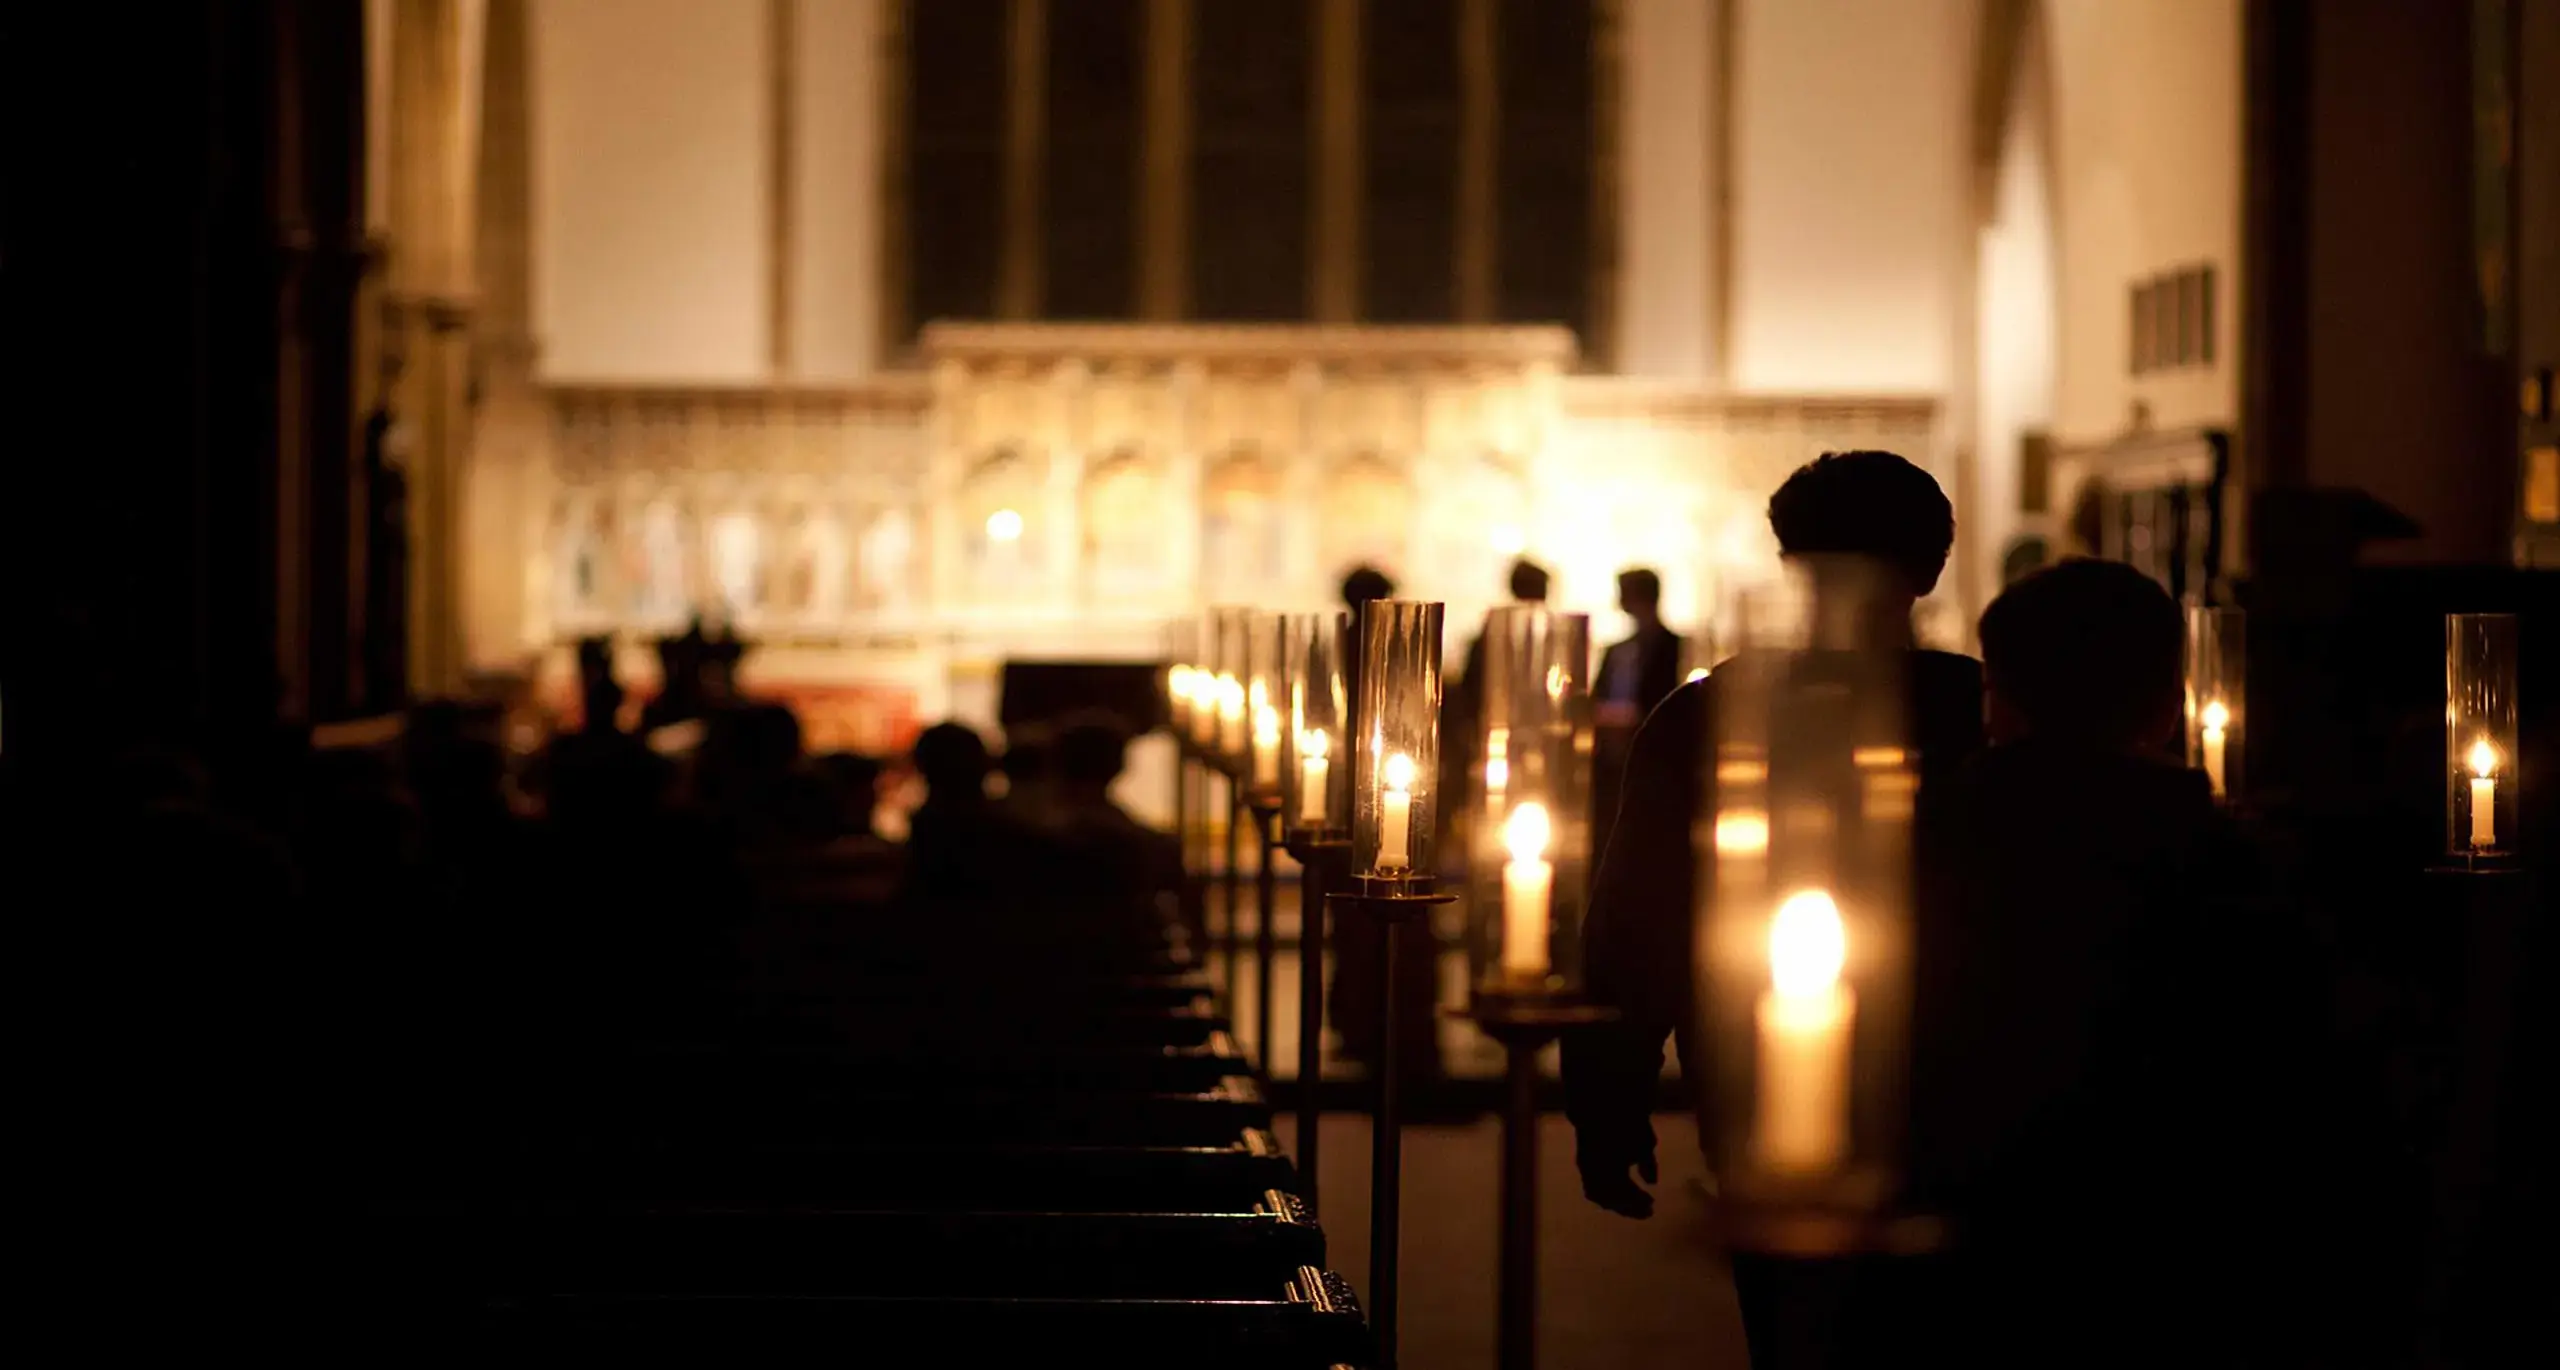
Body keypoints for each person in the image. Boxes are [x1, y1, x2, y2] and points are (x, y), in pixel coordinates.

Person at [1562, 450, 1986, 1368]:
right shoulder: (1981, 712)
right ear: (1933, 568)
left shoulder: (1705, 716)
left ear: (1787, 558)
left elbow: (1635, 923)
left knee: (1799, 1329)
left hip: (1762, 1074)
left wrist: (1607, 1096)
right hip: (1970, 1083)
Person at [1905, 561, 2319, 1363]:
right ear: (2171, 704)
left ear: (1996, 702)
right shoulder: (2239, 866)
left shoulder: (1920, 850)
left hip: (1957, 1241)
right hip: (2180, 1243)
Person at [1591, 568, 1687, 862]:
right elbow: (1596, 696)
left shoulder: (1677, 647)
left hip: (1657, 757)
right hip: (1609, 759)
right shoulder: (1616, 650)